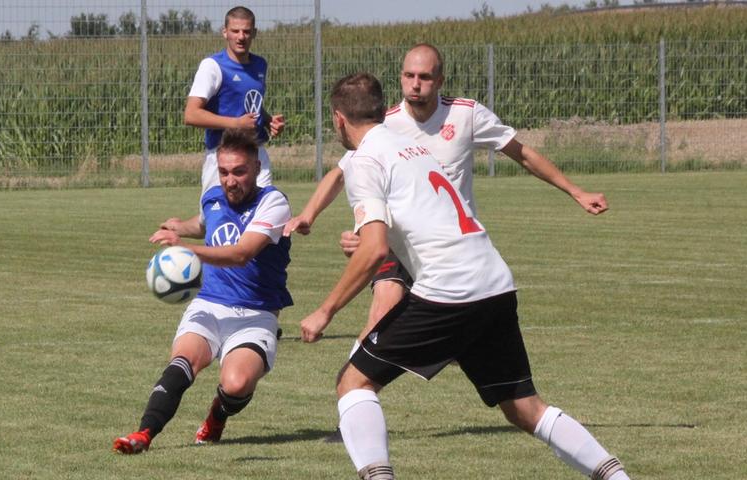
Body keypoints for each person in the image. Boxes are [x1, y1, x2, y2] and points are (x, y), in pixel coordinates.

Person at [297, 72, 630, 480]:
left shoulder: (365, 159)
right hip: (494, 281)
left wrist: (324, 310)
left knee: (354, 382)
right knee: (524, 406)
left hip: (448, 290)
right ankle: (617, 477)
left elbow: (375, 249)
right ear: (382, 110)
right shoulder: (412, 145)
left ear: (338, 119)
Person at [113, 128, 293, 453]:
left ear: (256, 168)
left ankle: (217, 416)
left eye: (239, 171)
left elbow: (242, 254)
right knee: (183, 362)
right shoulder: (213, 196)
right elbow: (206, 221)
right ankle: (143, 434)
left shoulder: (273, 203)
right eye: (224, 172)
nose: (230, 180)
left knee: (236, 384)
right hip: (209, 304)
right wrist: (181, 226)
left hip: (256, 313)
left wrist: (185, 250)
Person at [184, 5, 285, 195]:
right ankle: (177, 227)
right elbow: (191, 114)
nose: (241, 37)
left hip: (255, 154)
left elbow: (250, 104)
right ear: (225, 32)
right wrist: (236, 123)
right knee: (216, 220)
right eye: (235, 31)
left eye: (246, 31)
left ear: (254, 33)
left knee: (262, 216)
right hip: (223, 156)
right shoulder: (212, 66)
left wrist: (269, 120)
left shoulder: (260, 64)